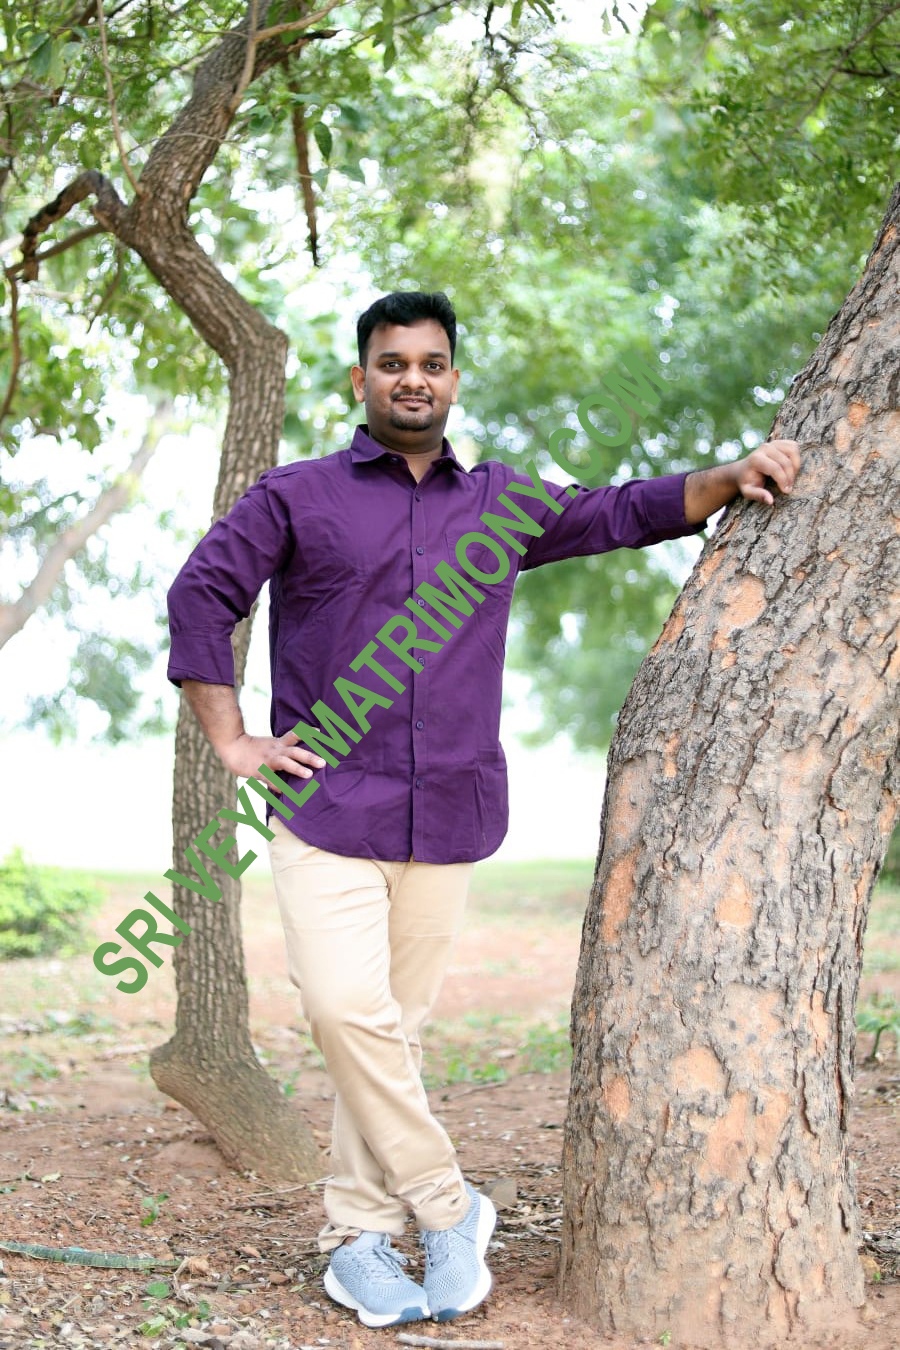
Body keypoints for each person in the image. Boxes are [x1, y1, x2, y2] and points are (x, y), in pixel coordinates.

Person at [166, 291, 801, 1328]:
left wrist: (728, 477)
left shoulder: (501, 502)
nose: (412, 379)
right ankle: (449, 1205)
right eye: (392, 363)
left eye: (431, 363)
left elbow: (621, 512)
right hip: (325, 807)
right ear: (361, 380)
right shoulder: (296, 496)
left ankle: (358, 1239)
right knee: (345, 1013)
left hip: (448, 811)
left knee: (393, 1036)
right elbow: (202, 594)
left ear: (453, 380)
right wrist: (233, 739)